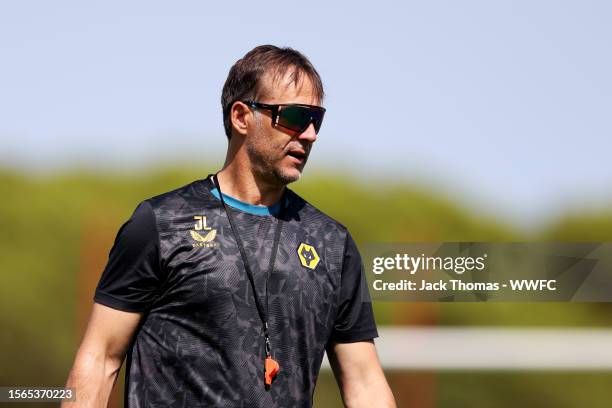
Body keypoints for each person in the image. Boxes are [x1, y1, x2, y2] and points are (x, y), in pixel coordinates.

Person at [63, 45, 396, 408]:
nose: (311, 133)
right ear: (241, 116)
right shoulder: (161, 224)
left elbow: (364, 381)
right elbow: (100, 358)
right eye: (297, 117)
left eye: (317, 119)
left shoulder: (332, 244)